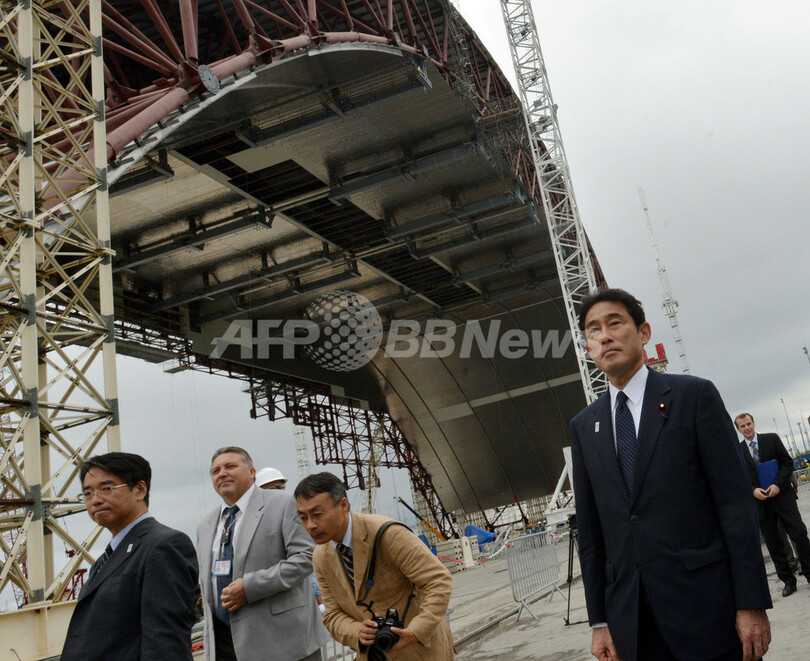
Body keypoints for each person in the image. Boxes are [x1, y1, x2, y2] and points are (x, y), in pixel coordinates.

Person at [570, 288, 772, 661]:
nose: (605, 336)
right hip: (633, 624)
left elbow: (735, 506)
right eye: (594, 330)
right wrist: (599, 620)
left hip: (710, 613)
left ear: (643, 332)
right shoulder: (585, 426)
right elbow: (592, 533)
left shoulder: (694, 397)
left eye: (615, 323)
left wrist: (751, 602)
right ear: (588, 348)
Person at [295, 472, 454, 661]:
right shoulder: (321, 557)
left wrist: (416, 630)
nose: (310, 525)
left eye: (317, 515)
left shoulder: (388, 534)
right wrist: (357, 632)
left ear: (343, 505)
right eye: (303, 518)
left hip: (420, 652)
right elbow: (332, 615)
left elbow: (438, 581)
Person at [61, 452, 199, 660]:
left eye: (106, 489)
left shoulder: (163, 546)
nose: (95, 500)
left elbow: (165, 644)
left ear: (140, 490)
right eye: (88, 493)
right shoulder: (104, 560)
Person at [196, 447, 328, 661]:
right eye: (215, 470)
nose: (222, 473)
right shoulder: (206, 525)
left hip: (283, 643)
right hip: (225, 645)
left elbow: (306, 557)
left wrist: (250, 587)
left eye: (230, 466)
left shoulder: (283, 503)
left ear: (252, 472)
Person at [734, 412, 810, 596]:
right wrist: (753, 490)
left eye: (749, 424)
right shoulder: (737, 450)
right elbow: (738, 478)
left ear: (753, 423)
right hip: (761, 504)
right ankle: (788, 581)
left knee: (799, 533)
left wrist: (777, 484)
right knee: (774, 543)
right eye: (743, 426)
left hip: (782, 497)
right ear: (738, 429)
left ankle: (809, 572)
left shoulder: (771, 439)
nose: (747, 428)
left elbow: (787, 463)